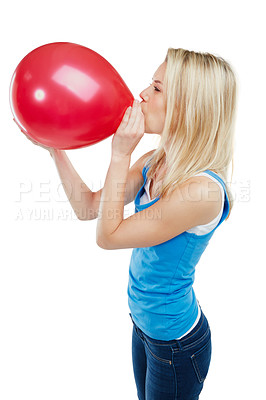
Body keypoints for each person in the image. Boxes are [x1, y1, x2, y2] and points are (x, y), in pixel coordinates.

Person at [22, 48, 237, 399]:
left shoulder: (202, 190)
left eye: (156, 88)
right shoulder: (155, 160)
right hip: (144, 327)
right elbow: (89, 208)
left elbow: (108, 236)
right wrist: (54, 148)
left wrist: (120, 154)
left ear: (188, 106)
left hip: (177, 345)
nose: (141, 95)